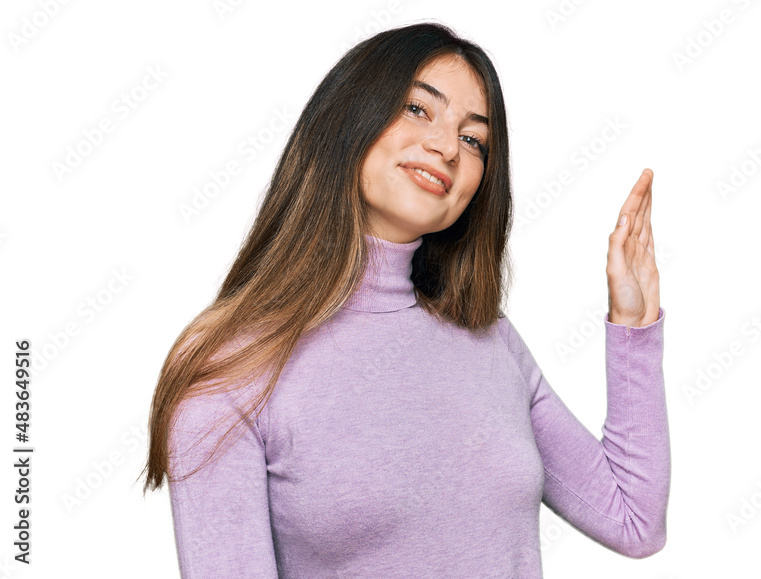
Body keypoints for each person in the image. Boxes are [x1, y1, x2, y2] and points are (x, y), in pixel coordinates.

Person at [140, 21, 669, 578]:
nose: (446, 148)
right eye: (419, 109)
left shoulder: (489, 340)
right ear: (349, 118)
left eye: (473, 140)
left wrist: (634, 325)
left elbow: (633, 521)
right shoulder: (232, 365)